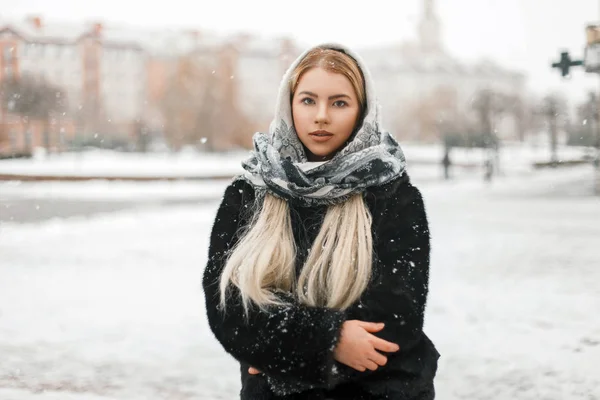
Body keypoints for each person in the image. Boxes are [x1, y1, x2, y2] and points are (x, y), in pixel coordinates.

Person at [202, 43, 440, 400]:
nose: (321, 116)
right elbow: (229, 309)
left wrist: (276, 352)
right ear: (290, 104)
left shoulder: (395, 198)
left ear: (362, 112)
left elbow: (394, 323)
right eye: (308, 100)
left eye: (339, 103)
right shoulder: (247, 195)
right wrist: (330, 341)